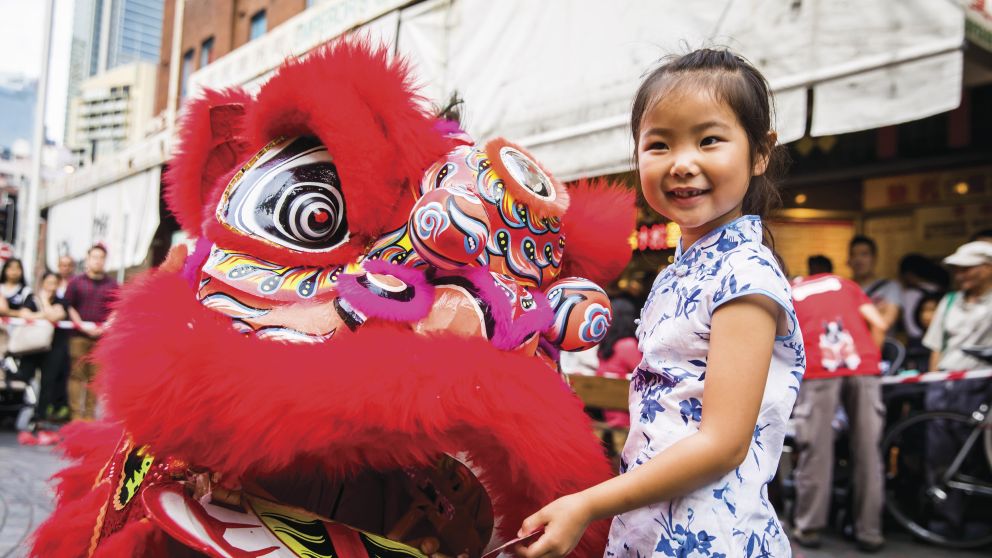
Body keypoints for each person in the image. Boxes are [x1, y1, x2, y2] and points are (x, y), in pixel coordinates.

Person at [515, 48, 803, 557]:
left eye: (709, 139)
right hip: (650, 529)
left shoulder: (744, 274)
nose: (682, 163)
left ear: (760, 152)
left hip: (709, 540)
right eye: (659, 144)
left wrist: (585, 505)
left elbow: (721, 444)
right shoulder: (682, 269)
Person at [789, 255, 887, 551]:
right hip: (863, 365)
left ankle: (808, 528)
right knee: (868, 450)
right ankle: (869, 532)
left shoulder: (789, 292)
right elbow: (879, 322)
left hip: (819, 367)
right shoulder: (847, 284)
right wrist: (871, 359)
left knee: (816, 449)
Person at [920, 240, 992, 537]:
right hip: (946, 383)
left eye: (967, 269)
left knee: (977, 457)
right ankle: (945, 522)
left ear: (988, 269)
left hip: (981, 384)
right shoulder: (949, 301)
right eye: (957, 270)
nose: (960, 275)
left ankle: (977, 521)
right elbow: (936, 346)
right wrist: (934, 381)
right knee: (940, 455)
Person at [64, 244, 118, 420]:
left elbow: (116, 307)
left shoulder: (112, 284)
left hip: (102, 337)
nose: (98, 261)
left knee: (95, 379)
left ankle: (89, 417)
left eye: (101, 257)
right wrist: (80, 324)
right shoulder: (76, 282)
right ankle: (76, 416)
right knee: (77, 375)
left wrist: (105, 326)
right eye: (94, 257)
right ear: (88, 259)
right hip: (78, 336)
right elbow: (69, 305)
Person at [20, 271, 71, 423]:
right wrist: (44, 315)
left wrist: (44, 301)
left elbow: (55, 316)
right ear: (42, 283)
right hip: (32, 347)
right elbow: (23, 314)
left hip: (54, 349)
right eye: (48, 283)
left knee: (47, 383)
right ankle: (18, 412)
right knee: (24, 377)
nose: (51, 286)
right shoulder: (31, 298)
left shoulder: (62, 301)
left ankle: (40, 417)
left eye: (54, 283)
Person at [594, 298, 641, 429]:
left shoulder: (605, 346)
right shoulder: (627, 345)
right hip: (627, 417)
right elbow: (646, 373)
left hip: (607, 412)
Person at [848, 235, 901, 333]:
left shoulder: (890, 287)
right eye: (853, 255)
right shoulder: (844, 288)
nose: (858, 260)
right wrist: (875, 312)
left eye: (864, 254)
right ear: (849, 260)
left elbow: (887, 321)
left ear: (874, 258)